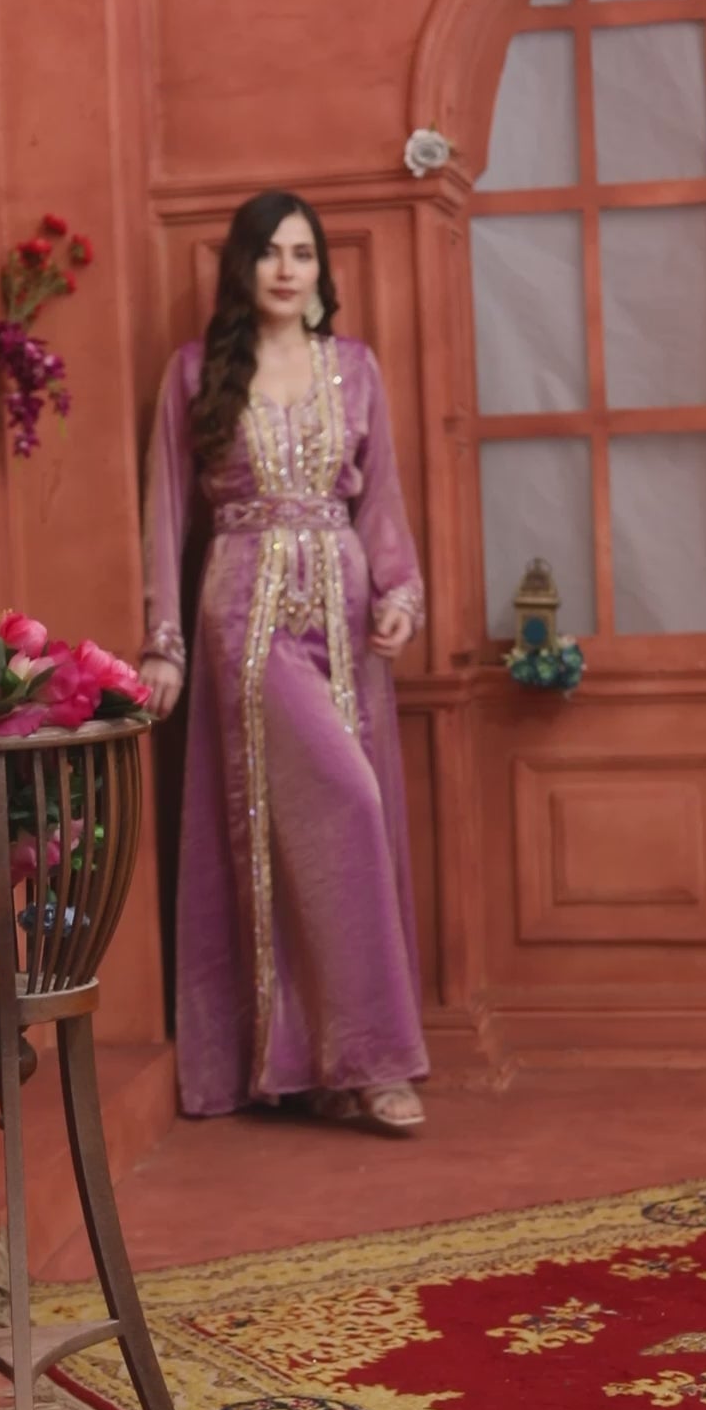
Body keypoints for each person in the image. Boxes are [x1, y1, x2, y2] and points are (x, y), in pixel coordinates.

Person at [141, 189, 428, 1133]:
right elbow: (165, 514)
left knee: (330, 834)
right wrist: (163, 645)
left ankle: (341, 1061)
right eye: (269, 252)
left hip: (346, 620)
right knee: (344, 802)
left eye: (302, 253)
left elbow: (380, 501)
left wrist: (398, 595)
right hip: (247, 615)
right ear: (243, 266)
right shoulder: (195, 372)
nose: (286, 269)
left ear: (320, 270)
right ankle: (371, 1061)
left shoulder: (357, 368)